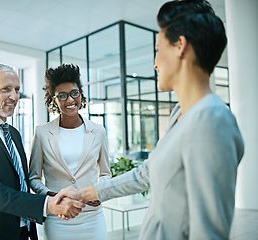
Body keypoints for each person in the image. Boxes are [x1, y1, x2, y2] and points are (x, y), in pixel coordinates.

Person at [57, 1, 245, 239]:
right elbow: (147, 173)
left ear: (180, 46)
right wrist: (84, 194)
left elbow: (209, 233)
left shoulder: (212, 121)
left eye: (158, 49)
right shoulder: (181, 113)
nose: (155, 63)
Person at [0, 64, 84, 240]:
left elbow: (21, 183)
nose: (14, 97)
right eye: (6, 89)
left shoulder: (14, 134)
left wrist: (53, 195)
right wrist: (48, 204)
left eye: (16, 89)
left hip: (24, 232)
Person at [28, 63, 111, 240]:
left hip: (92, 217)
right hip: (58, 217)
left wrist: (99, 191)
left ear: (80, 93)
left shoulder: (98, 131)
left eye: (74, 93)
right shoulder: (42, 133)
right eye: (62, 96)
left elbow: (105, 173)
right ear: (54, 100)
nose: (70, 100)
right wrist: (52, 195)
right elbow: (34, 177)